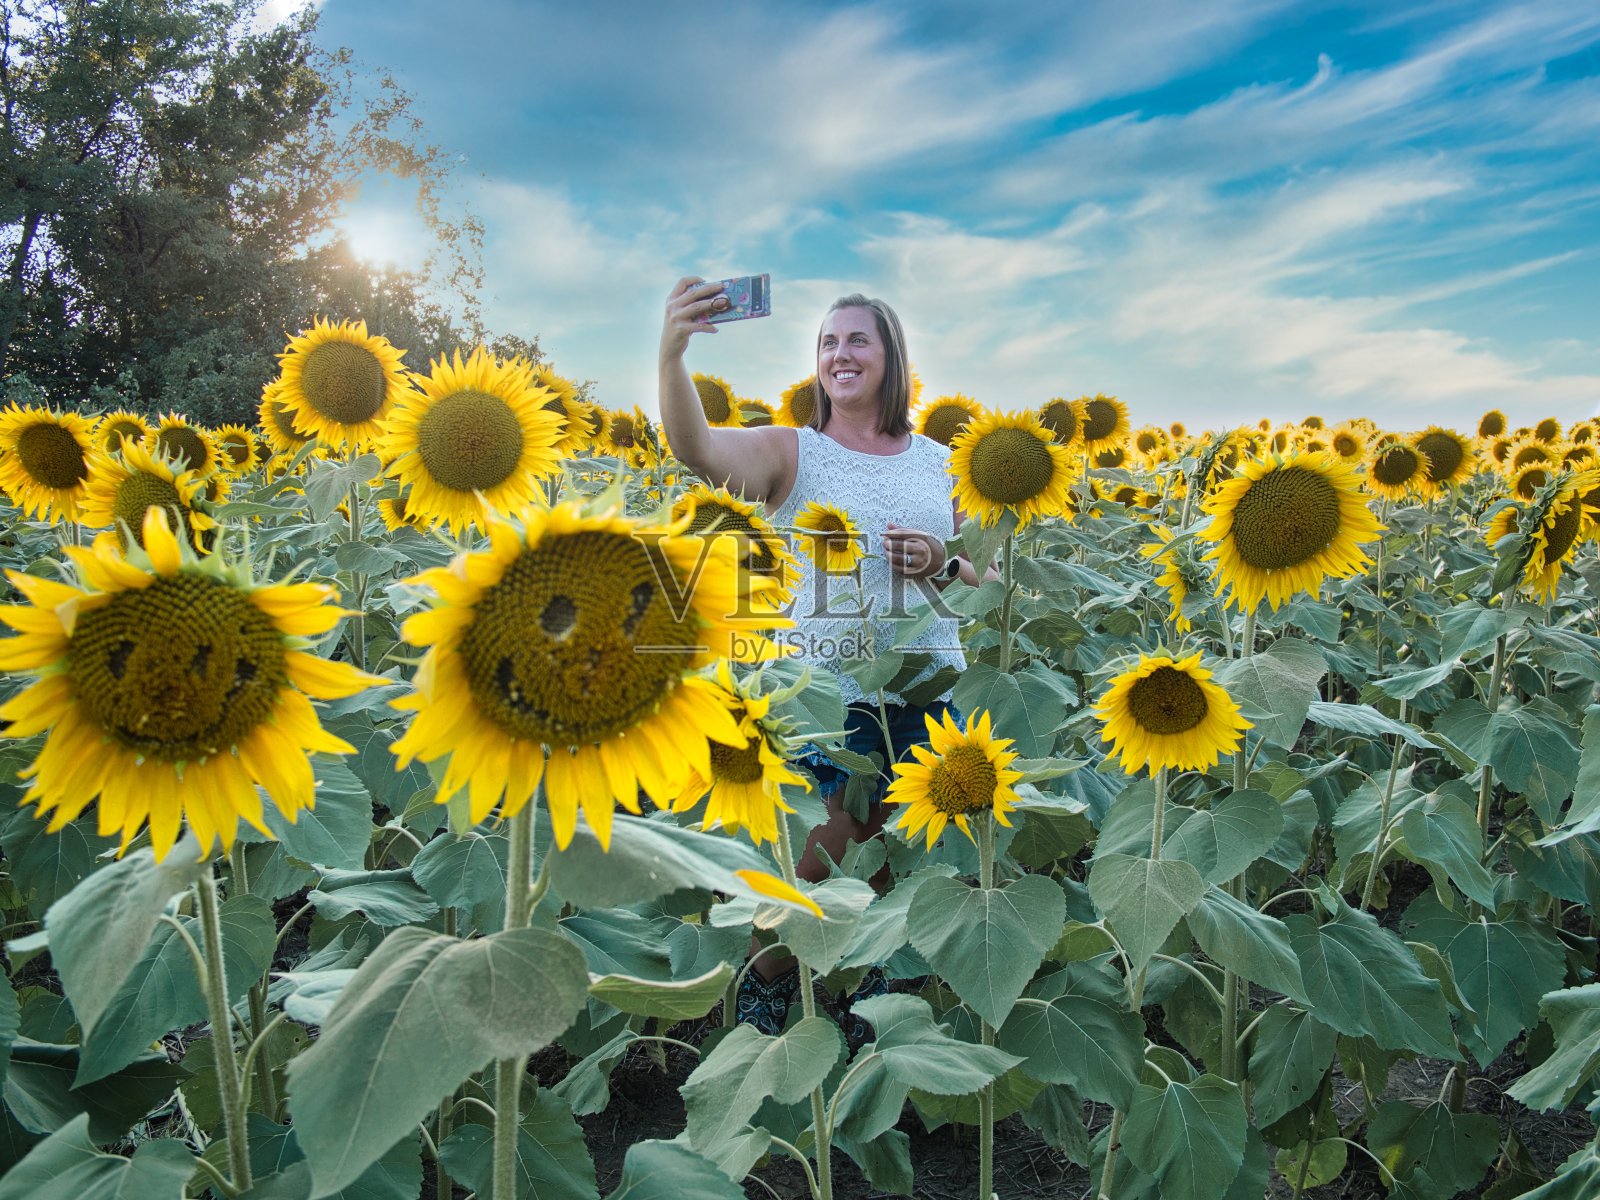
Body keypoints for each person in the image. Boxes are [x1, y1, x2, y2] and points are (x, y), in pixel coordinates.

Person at [658, 278, 986, 1039]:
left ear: (890, 356)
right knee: (818, 864)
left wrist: (941, 561)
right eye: (829, 343)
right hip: (832, 689)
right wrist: (673, 354)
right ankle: (767, 984)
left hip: (929, 684)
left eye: (857, 339)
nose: (841, 354)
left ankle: (853, 994)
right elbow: (697, 450)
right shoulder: (793, 451)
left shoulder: (944, 463)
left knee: (893, 866)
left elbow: (987, 580)